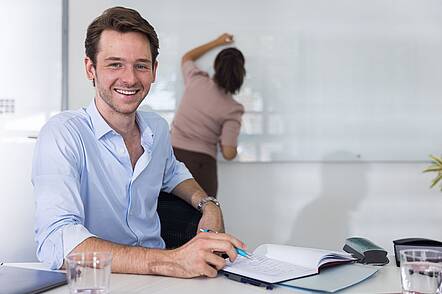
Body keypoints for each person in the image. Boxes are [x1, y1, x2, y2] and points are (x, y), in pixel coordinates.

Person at [32, 6, 246, 278]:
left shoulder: (156, 128)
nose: (130, 78)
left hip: (162, 282)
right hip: (98, 281)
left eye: (141, 66)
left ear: (154, 71)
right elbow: (56, 242)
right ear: (90, 68)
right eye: (115, 64)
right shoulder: (62, 135)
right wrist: (171, 261)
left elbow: (174, 173)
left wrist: (209, 205)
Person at [171, 34, 246, 197]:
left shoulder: (196, 79)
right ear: (241, 75)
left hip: (171, 158)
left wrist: (217, 42)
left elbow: (187, 57)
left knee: (167, 215)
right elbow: (228, 152)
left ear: (215, 65)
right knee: (202, 219)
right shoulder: (233, 109)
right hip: (202, 167)